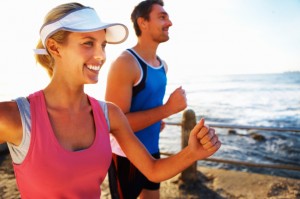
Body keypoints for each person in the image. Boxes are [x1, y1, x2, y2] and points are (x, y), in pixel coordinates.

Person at [0, 2, 221, 199]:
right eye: (88, 43)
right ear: (55, 47)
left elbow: (153, 170)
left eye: (103, 45)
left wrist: (193, 152)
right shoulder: (14, 116)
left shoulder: (110, 114)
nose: (102, 55)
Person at [105, 0, 187, 198]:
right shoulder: (125, 63)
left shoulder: (162, 65)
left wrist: (157, 120)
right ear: (143, 23)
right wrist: (167, 109)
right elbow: (114, 123)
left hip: (153, 151)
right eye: (162, 17)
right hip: (126, 157)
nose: (169, 23)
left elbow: (146, 105)